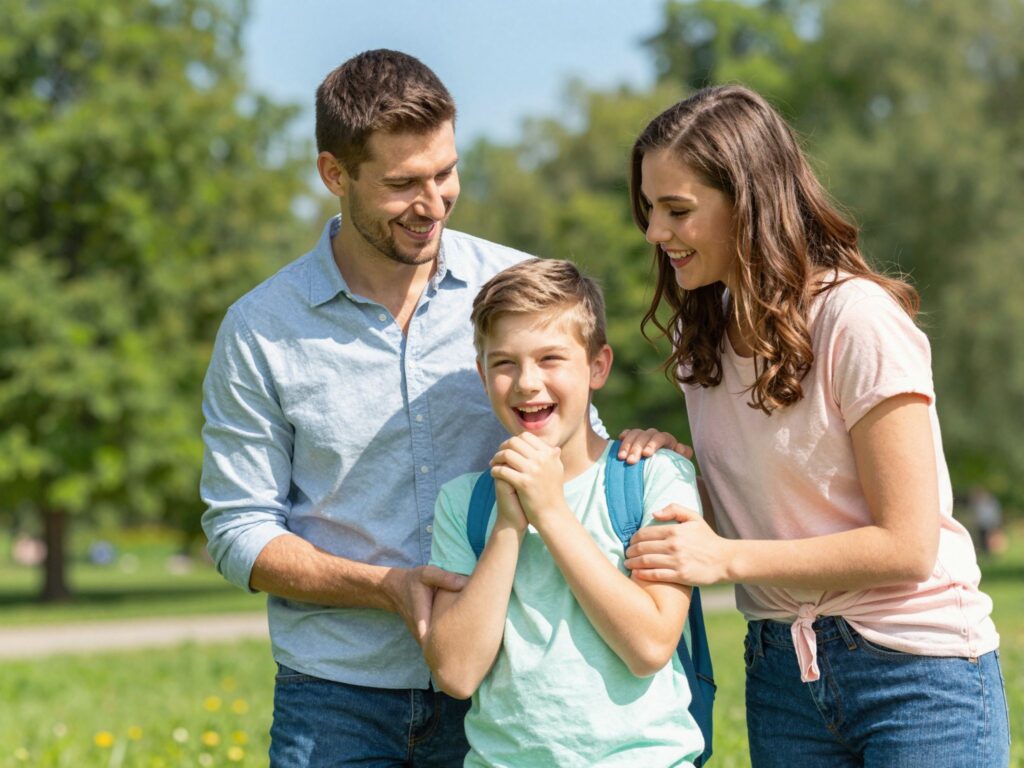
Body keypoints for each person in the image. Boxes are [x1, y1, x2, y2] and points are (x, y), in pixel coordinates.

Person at [618, 85, 1009, 767]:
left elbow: (907, 545)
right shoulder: (700, 338)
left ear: (749, 204)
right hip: (780, 673)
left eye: (677, 210)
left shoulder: (855, 320)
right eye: (649, 209)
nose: (655, 232)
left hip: (915, 672)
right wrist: (673, 471)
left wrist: (726, 557)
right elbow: (770, 508)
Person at [200, 50, 549, 766]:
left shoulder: (519, 287)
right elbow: (238, 529)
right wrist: (385, 588)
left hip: (502, 681)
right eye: (402, 184)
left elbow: (573, 451)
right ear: (335, 174)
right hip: (334, 696)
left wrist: (631, 447)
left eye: (446, 172)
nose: (433, 203)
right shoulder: (261, 326)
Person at [424, 258, 705, 767]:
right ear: (482, 373)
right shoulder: (463, 502)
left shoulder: (652, 477)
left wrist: (551, 513)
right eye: (504, 363)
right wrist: (510, 525)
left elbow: (649, 646)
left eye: (551, 358)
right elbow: (457, 672)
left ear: (598, 366)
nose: (528, 383)